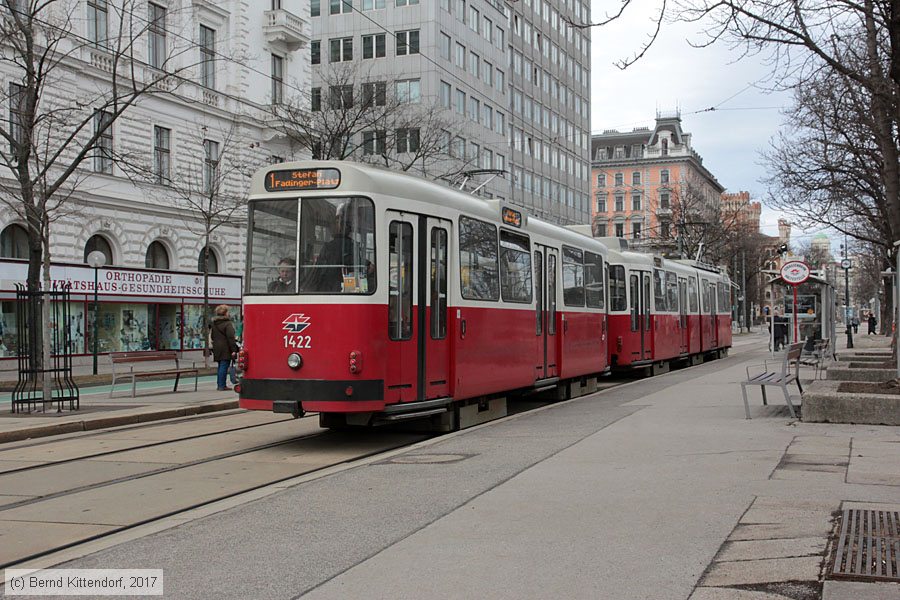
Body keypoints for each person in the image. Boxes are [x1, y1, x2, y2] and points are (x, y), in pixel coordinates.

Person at [210, 304, 239, 391]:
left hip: (217, 347)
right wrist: (234, 349)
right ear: (225, 313)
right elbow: (230, 337)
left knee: (220, 366)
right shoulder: (227, 324)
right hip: (225, 347)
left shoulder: (214, 323)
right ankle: (222, 385)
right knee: (224, 365)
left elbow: (212, 336)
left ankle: (220, 384)